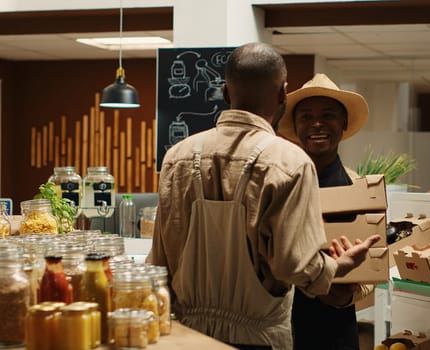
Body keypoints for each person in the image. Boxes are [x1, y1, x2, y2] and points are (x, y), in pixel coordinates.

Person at [147, 43, 380, 350]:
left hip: (187, 335)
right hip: (259, 338)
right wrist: (336, 268)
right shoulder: (289, 162)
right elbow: (294, 266)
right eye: (307, 116)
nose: (317, 124)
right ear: (283, 95)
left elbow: (159, 260)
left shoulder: (177, 156)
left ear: (226, 93)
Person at [278, 73, 373, 350]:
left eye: (328, 115)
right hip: (282, 325)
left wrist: (343, 296)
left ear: (343, 123)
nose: (317, 124)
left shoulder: (359, 190)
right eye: (306, 116)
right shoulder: (279, 185)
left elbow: (373, 271)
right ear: (296, 126)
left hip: (335, 329)